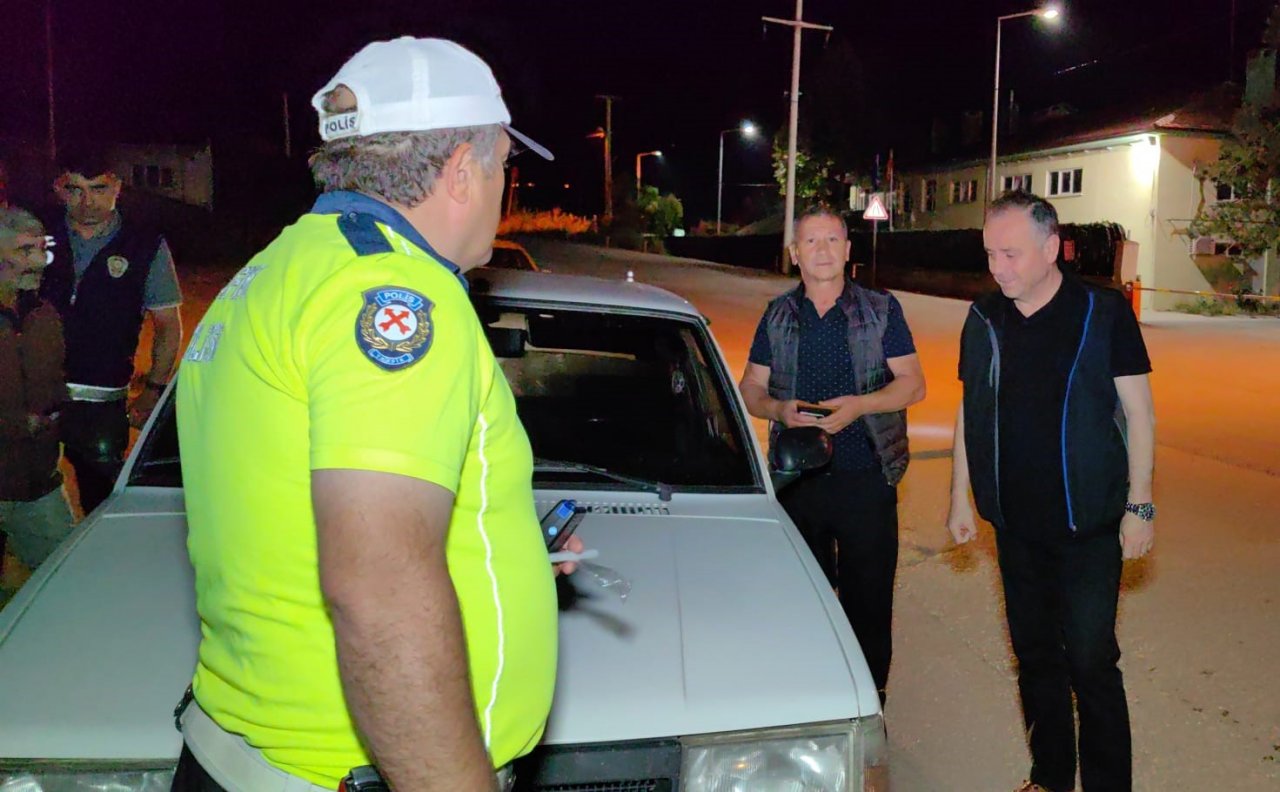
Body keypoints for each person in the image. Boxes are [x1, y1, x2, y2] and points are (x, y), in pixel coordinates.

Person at [173, 37, 574, 792]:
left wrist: (504, 545)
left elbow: (299, 505)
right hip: (346, 774)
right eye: (504, 167)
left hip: (254, 753)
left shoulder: (283, 268)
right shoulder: (395, 297)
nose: (504, 190)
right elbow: (379, 588)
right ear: (463, 170)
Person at [946, 190, 1155, 792]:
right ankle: (1050, 777)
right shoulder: (983, 318)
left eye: (1010, 253)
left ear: (1050, 247)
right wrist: (960, 496)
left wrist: (1140, 505)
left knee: (1090, 661)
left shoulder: (1101, 312)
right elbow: (969, 409)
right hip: (1015, 525)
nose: (998, 268)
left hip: (1089, 524)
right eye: (990, 254)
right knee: (1036, 657)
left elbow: (1139, 414)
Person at [739, 205, 926, 707]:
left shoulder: (881, 310)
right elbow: (751, 387)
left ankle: (868, 703)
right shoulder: (778, 314)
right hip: (798, 481)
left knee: (869, 602)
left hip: (867, 476)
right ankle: (815, 701)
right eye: (810, 241)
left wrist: (860, 406)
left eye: (831, 240)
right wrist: (778, 408)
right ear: (794, 253)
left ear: (847, 249)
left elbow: (913, 385)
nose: (821, 250)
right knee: (806, 599)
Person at [39, 147, 183, 514]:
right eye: (75, 189)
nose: (87, 201)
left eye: (99, 188)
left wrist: (153, 389)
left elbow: (167, 325)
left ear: (117, 186)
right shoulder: (36, 235)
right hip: (33, 395)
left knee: (101, 505)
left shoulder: (144, 244)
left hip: (102, 401)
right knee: (21, 496)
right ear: (58, 188)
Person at [0, 207, 75, 588]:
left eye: (42, 250)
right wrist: (17, 424)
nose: (38, 262)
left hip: (38, 485)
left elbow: (53, 383)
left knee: (67, 580)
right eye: (24, 251)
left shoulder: (44, 315)